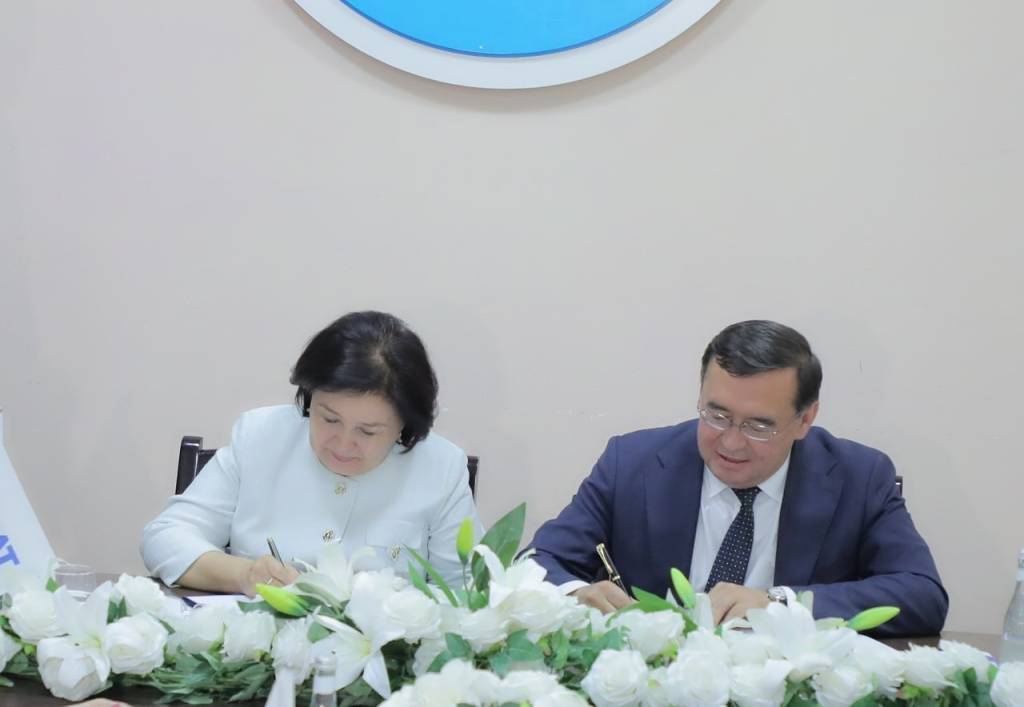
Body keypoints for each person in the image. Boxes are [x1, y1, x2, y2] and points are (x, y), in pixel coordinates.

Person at [529, 320, 948, 637]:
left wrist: (779, 604)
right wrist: (575, 595)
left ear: (805, 419)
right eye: (717, 415)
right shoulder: (633, 463)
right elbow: (538, 561)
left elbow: (922, 595)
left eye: (759, 425)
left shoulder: (859, 477)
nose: (731, 442)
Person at [142, 311, 482, 595]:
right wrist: (244, 575)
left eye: (367, 431)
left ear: (405, 426)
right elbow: (165, 537)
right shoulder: (261, 436)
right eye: (329, 418)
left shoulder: (440, 467)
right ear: (308, 397)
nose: (343, 444)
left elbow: (469, 591)